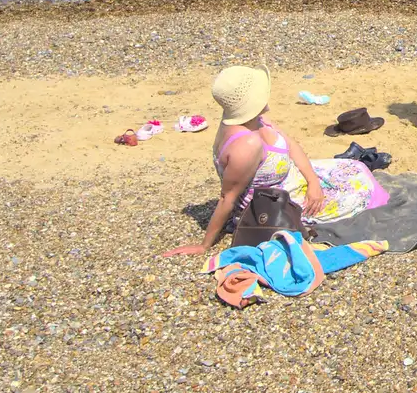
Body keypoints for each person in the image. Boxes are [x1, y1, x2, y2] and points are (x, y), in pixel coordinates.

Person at [162, 65, 386, 257]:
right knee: (361, 191)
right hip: (277, 201)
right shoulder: (246, 146)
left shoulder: (253, 120)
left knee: (356, 167)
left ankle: (319, 183)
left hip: (289, 179)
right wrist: (204, 245)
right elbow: (227, 197)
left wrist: (313, 183)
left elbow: (292, 146)